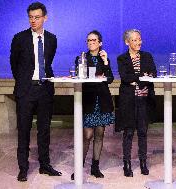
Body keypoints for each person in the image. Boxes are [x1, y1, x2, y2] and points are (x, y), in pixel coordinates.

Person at [10, 2, 62, 182]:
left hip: (45, 90)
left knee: (44, 130)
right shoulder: (19, 38)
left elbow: (48, 63)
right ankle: (23, 168)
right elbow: (14, 64)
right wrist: (25, 82)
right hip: (26, 91)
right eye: (31, 17)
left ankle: (45, 165)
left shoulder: (52, 39)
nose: (33, 20)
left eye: (37, 17)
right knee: (23, 130)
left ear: (45, 18)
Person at [71, 30, 115, 180]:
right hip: (89, 100)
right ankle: (79, 166)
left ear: (100, 43)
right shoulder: (82, 58)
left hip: (102, 100)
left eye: (94, 40)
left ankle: (95, 167)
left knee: (100, 134)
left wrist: (106, 62)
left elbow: (109, 79)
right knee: (87, 135)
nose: (91, 43)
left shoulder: (104, 58)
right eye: (89, 40)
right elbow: (79, 76)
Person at [116, 29, 157, 177]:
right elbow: (125, 77)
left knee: (143, 132)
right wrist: (142, 76)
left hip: (144, 99)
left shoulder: (147, 56)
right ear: (127, 42)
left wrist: (137, 78)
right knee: (128, 132)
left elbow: (153, 73)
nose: (138, 42)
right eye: (134, 40)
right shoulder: (122, 59)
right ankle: (126, 163)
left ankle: (143, 162)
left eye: (139, 39)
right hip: (128, 100)